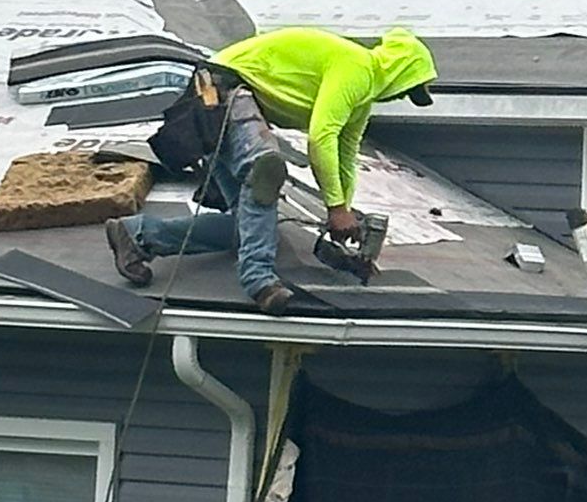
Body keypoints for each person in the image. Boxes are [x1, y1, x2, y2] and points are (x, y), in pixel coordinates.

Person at [109, 26, 437, 313]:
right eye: (407, 89)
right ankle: (259, 281)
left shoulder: (362, 101)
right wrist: (336, 208)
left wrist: (342, 209)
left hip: (224, 99)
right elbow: (321, 137)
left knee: (249, 226)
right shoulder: (358, 67)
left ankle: (139, 234)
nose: (400, 97)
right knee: (264, 170)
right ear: (401, 72)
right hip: (223, 88)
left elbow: (345, 153)